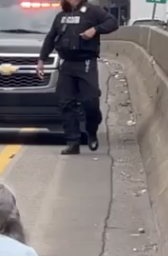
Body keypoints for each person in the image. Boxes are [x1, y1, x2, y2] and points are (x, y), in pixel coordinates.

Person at [36, 0, 118, 155]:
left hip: (86, 62)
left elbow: (112, 23)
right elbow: (50, 38)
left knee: (90, 101)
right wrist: (41, 60)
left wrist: (95, 29)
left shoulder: (93, 11)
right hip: (67, 64)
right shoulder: (61, 16)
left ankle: (91, 131)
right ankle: (72, 142)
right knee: (66, 103)